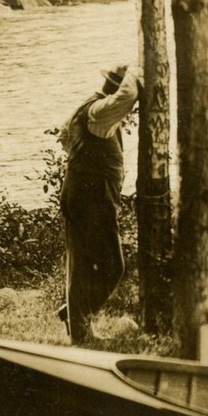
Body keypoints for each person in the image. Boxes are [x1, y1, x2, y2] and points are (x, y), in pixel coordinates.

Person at [58, 62, 139, 343]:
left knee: (81, 263)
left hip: (80, 193)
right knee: (111, 266)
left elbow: (63, 134)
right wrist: (137, 74)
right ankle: (76, 317)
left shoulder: (87, 108)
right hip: (91, 198)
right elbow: (126, 98)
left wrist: (81, 162)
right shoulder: (100, 112)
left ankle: (80, 327)